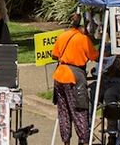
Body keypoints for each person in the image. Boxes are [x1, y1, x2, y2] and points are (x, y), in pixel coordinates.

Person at [49, 13, 99, 145]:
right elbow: (95, 56)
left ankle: (66, 141)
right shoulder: (83, 39)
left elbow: (54, 55)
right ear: (83, 26)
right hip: (74, 77)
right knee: (79, 110)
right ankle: (83, 140)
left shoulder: (63, 36)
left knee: (64, 111)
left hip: (59, 76)